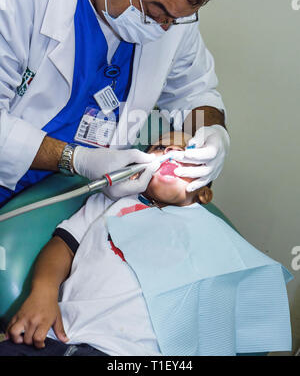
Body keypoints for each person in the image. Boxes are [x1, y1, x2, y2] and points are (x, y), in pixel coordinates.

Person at [0, 0, 230, 207]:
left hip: (76, 199)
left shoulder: (170, 11)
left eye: (176, 19)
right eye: (156, 12)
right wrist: (76, 159)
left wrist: (212, 133)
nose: (165, 29)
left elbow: (195, 90)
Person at [0, 132, 292, 356]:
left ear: (204, 193)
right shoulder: (108, 202)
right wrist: (43, 291)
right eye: (159, 148)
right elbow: (62, 246)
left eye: (188, 154)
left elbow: (224, 317)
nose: (170, 153)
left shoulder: (215, 236)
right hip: (62, 336)